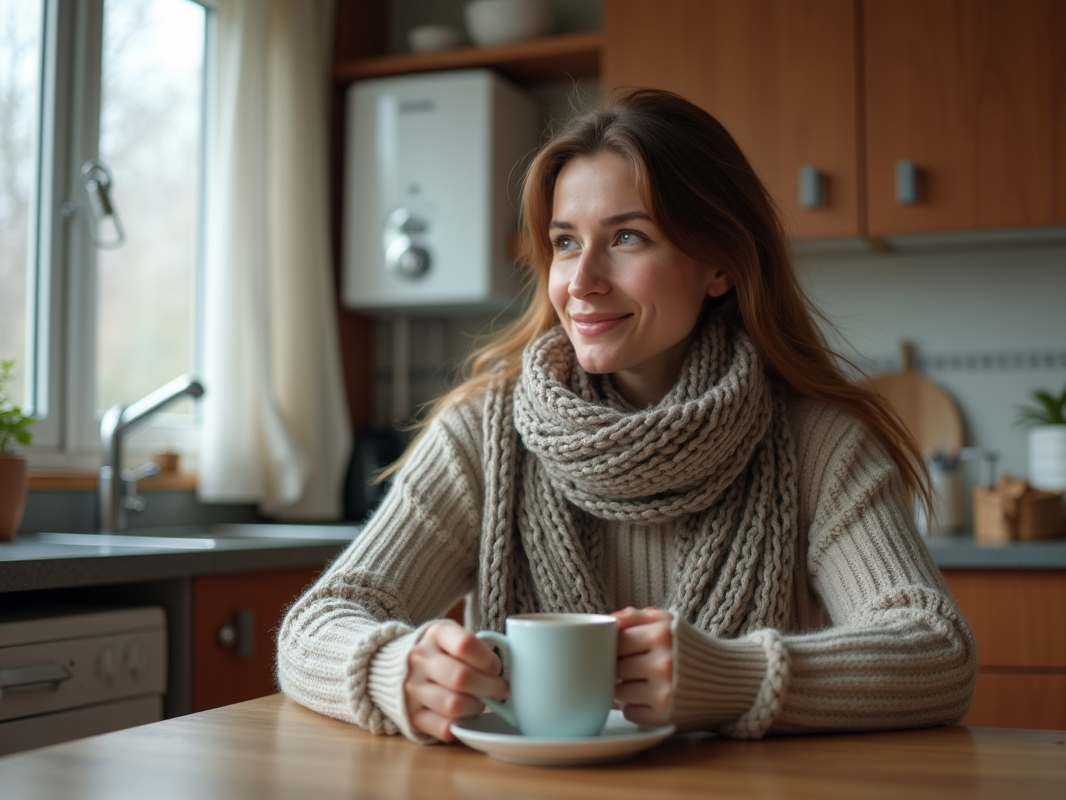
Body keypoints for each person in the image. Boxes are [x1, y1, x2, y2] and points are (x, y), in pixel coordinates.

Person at [277, 89, 976, 743]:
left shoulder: (817, 442)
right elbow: (315, 624)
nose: (580, 283)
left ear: (720, 265)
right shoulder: (481, 438)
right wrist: (394, 668)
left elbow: (936, 652)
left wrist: (734, 677)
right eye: (566, 242)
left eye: (629, 238)